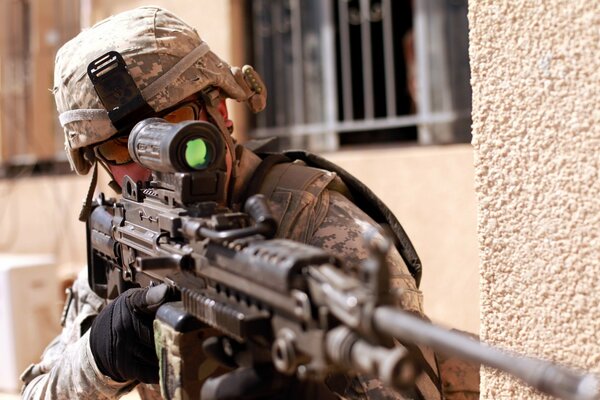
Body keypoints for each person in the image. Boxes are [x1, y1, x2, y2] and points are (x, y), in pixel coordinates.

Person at [21, 6, 477, 400]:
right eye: (120, 150)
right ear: (98, 162)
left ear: (220, 112)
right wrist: (99, 357)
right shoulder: (127, 233)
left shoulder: (325, 233)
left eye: (174, 122)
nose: (147, 164)